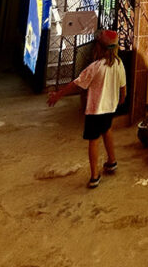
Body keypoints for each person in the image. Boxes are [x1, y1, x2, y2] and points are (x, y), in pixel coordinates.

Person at [47, 29, 127, 189]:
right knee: (107, 130)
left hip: (95, 109)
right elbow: (123, 87)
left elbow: (76, 83)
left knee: (93, 141)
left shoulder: (95, 67)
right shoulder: (118, 64)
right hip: (110, 107)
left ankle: (94, 176)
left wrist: (58, 94)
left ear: (99, 47)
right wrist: (121, 100)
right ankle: (112, 161)